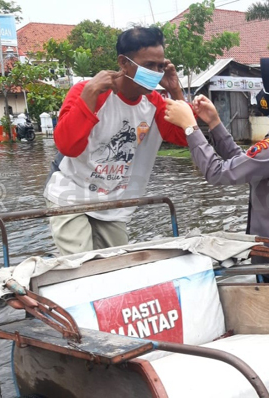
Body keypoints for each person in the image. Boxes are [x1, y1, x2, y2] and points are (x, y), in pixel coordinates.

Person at [163, 57, 269, 283]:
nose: (262, 93)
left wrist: (191, 128)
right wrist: (214, 122)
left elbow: (218, 173)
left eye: (267, 89)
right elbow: (242, 162)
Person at [43, 26, 188, 256]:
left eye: (160, 66)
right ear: (123, 62)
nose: (156, 72)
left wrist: (175, 91)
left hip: (113, 199)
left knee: (119, 263)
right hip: (71, 194)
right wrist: (89, 95)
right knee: (82, 264)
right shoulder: (89, 91)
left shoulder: (153, 102)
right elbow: (68, 146)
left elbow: (184, 136)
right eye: (149, 65)